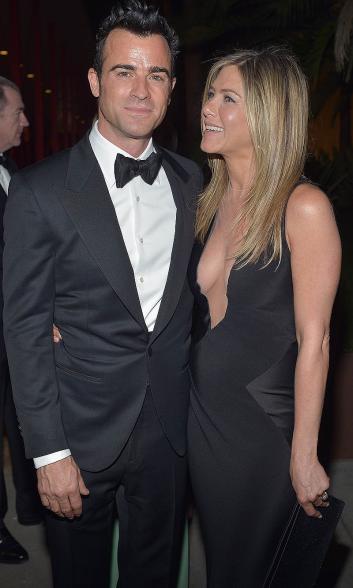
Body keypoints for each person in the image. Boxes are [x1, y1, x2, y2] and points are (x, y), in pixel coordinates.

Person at [3, 2, 202, 587]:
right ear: (94, 81)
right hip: (77, 438)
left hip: (169, 431)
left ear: (170, 87)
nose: (141, 89)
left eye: (157, 74)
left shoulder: (193, 181)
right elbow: (24, 330)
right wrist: (47, 454)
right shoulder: (39, 191)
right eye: (124, 71)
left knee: (156, 576)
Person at [187, 47, 341, 587]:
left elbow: (315, 340)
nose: (208, 107)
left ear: (268, 116)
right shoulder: (207, 200)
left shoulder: (303, 207)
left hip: (261, 437)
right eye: (210, 93)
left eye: (228, 98)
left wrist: (305, 454)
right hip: (204, 425)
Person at [0, 76, 42, 565]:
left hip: (18, 327)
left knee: (24, 416)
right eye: (18, 112)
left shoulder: (13, 168)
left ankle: (32, 507)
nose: (26, 121)